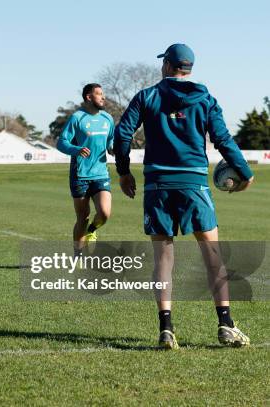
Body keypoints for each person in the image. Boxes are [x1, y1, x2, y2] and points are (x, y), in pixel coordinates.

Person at [113, 43, 254, 349]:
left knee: (163, 258)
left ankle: (166, 328)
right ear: (189, 67)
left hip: (157, 186)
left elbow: (122, 133)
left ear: (167, 65)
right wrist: (245, 171)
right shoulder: (205, 97)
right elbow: (222, 139)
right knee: (213, 255)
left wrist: (123, 171)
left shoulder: (147, 96)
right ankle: (226, 324)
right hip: (194, 185)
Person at [57, 84, 114, 251]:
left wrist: (112, 148)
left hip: (101, 173)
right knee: (83, 216)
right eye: (99, 94)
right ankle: (78, 254)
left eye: (103, 94)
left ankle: (92, 230)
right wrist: (76, 149)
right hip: (80, 174)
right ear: (89, 97)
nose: (103, 97)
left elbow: (111, 140)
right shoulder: (77, 118)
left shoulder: (107, 118)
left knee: (104, 213)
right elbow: (61, 142)